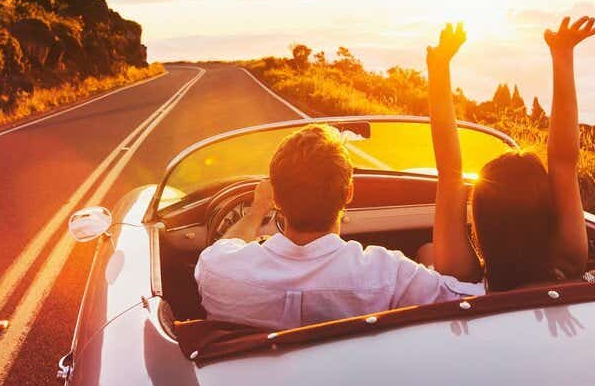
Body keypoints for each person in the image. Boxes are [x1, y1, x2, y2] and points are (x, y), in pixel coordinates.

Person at [194, 124, 485, 330]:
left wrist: (257, 211)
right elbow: (474, 300)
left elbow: (224, 247)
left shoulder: (217, 270)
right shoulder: (388, 275)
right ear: (349, 194)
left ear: (277, 199)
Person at [425, 17, 595, 290]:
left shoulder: (462, 277)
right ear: (550, 213)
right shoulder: (569, 262)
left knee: (425, 252)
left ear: (480, 223)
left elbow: (450, 173)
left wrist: (438, 68)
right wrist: (563, 54)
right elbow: (563, 162)